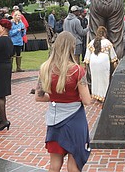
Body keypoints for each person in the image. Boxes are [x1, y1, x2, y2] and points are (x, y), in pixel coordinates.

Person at [35, 32, 92, 172]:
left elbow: (39, 96)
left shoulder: (45, 68)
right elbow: (87, 100)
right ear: (72, 47)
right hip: (74, 121)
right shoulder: (77, 71)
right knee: (73, 166)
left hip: (54, 120)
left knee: (54, 165)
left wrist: (55, 98)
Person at [84, 26, 118, 102]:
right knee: (104, 78)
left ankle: (95, 94)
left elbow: (87, 57)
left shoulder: (92, 42)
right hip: (104, 61)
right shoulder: (107, 42)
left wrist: (86, 64)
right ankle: (104, 96)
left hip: (93, 61)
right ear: (105, 33)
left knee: (95, 78)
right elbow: (113, 57)